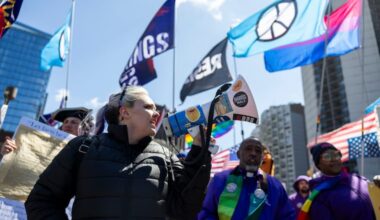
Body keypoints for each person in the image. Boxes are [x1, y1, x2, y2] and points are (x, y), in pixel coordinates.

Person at [25, 86, 212, 219]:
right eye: (148, 107)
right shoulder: (83, 148)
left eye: (155, 109)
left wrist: (199, 153)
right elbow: (42, 201)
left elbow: (185, 209)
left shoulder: (167, 156)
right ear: (124, 113)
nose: (156, 114)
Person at [198, 137, 295, 220]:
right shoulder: (220, 180)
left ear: (262, 157)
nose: (253, 153)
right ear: (239, 154)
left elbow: (287, 216)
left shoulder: (275, 186)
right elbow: (207, 213)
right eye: (248, 149)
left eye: (258, 151)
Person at [298, 142, 376, 220]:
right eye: (327, 156)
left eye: (336, 155)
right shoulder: (319, 196)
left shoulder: (360, 180)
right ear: (318, 165)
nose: (333, 159)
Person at [0, 107, 91, 162]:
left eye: (74, 122)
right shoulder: (41, 144)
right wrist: (5, 154)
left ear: (84, 130)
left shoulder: (89, 151)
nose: (68, 125)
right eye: (66, 122)